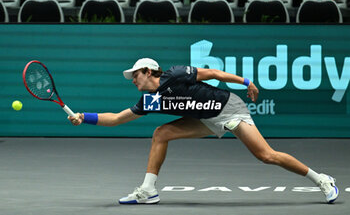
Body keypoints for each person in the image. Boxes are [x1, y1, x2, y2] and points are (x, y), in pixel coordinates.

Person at [68, 57, 339, 204]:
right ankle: (148, 191)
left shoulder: (175, 74)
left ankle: (321, 180)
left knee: (265, 155)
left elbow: (214, 74)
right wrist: (84, 117)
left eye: (135, 76)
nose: (133, 81)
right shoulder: (150, 99)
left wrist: (246, 81)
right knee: (161, 132)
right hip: (203, 118)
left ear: (149, 71)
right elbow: (116, 119)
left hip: (228, 108)